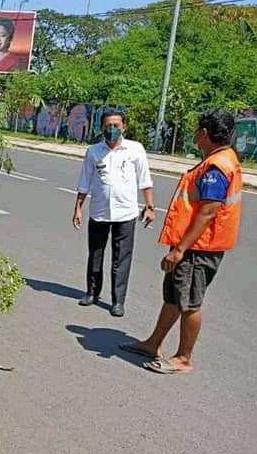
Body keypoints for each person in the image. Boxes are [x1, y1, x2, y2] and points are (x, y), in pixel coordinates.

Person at [121, 110, 243, 374]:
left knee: (189, 302)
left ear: (204, 133)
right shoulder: (219, 159)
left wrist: (179, 250)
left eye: (198, 130)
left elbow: (209, 211)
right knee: (174, 297)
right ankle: (153, 343)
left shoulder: (216, 167)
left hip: (199, 248)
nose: (195, 134)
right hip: (195, 245)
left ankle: (184, 357)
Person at [73, 108, 155, 317]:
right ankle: (92, 292)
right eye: (108, 126)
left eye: (116, 126)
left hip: (126, 213)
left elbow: (145, 181)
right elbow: (84, 182)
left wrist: (150, 207)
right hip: (99, 212)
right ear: (102, 127)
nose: (112, 129)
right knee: (95, 254)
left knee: (121, 259)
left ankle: (118, 300)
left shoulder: (135, 150)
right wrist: (78, 208)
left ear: (124, 127)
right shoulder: (93, 151)